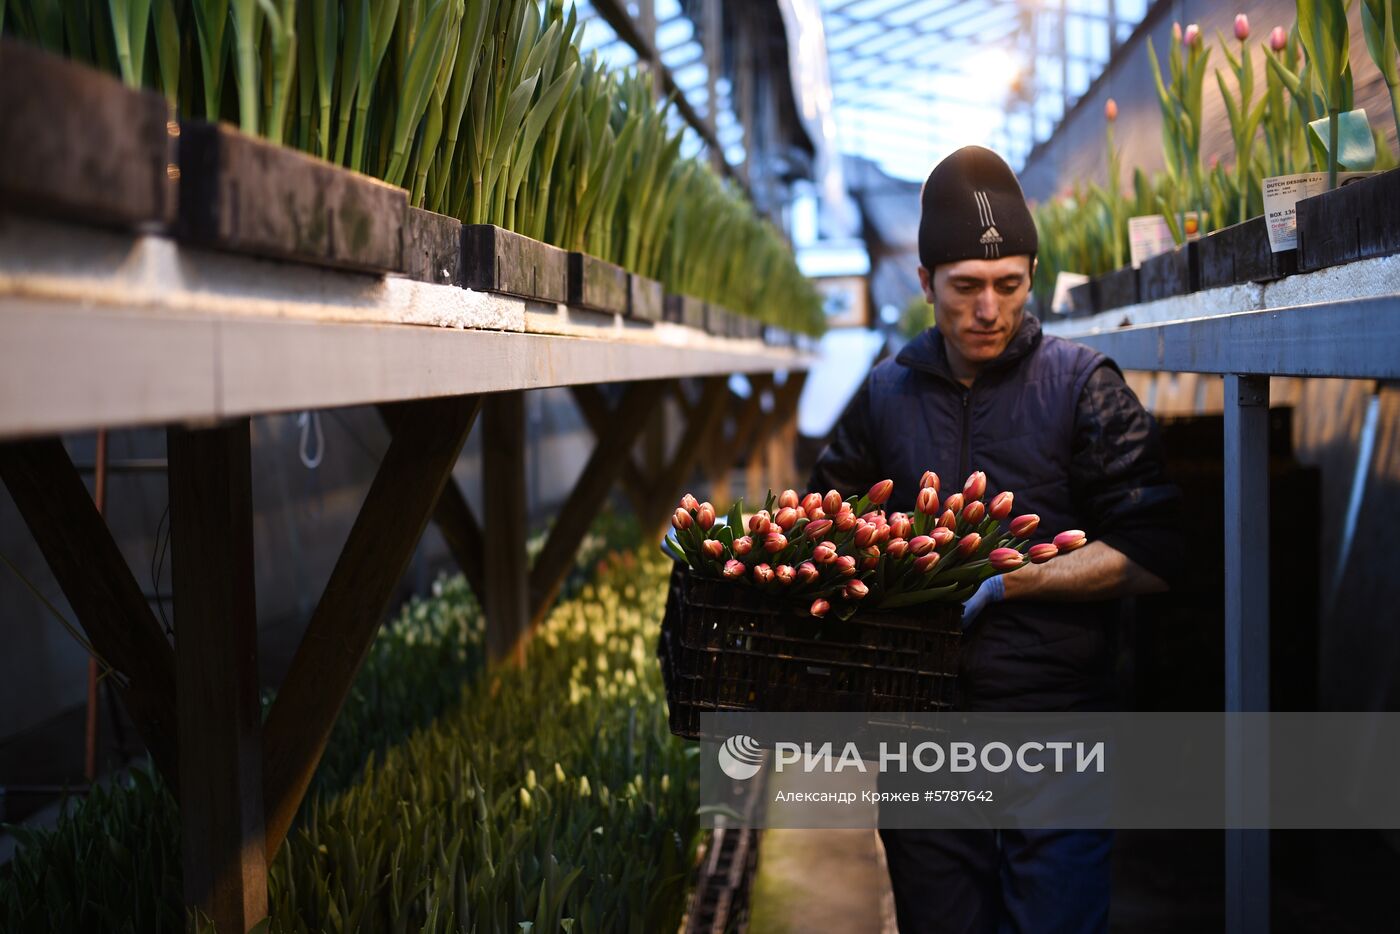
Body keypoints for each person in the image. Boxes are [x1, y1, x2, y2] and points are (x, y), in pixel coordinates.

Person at [806, 146, 1184, 933]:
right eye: (966, 288)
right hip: (922, 730)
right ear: (924, 285)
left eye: (1009, 285)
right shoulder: (883, 395)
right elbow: (824, 522)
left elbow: (1155, 549)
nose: (989, 310)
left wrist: (1017, 581)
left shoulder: (1082, 386)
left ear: (1032, 277)